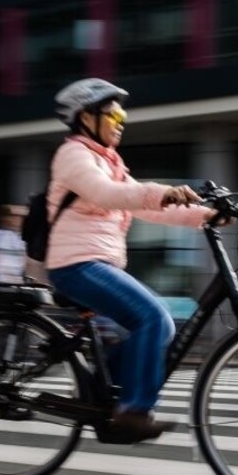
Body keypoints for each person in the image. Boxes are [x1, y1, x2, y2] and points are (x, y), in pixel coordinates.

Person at [44, 78, 215, 443]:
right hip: (75, 264)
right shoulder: (73, 154)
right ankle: (134, 412)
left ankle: (101, 391)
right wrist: (162, 192)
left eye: (123, 114)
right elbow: (107, 194)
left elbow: (148, 210)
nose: (121, 120)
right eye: (114, 113)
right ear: (86, 117)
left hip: (97, 263)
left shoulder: (108, 160)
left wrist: (205, 215)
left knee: (158, 326)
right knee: (153, 318)